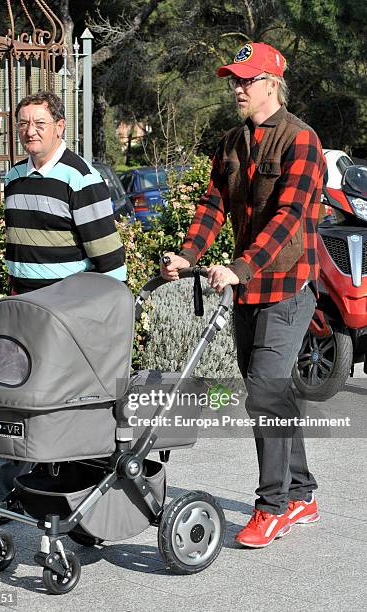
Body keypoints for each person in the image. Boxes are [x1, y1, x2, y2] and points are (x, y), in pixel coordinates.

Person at [161, 42, 325, 548]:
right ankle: (302, 493)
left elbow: (287, 220)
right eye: (234, 79)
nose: (237, 87)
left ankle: (272, 506)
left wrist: (238, 266)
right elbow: (213, 205)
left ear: (271, 84)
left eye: (247, 80)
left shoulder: (302, 140)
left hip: (288, 284)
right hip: (248, 285)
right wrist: (189, 255)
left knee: (263, 391)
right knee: (271, 393)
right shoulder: (232, 141)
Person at [0, 90, 126, 520]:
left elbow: (110, 260)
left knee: (55, 407)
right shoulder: (14, 178)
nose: (29, 131)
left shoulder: (81, 178)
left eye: (39, 122)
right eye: (23, 123)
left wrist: (110, 322)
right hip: (26, 314)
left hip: (69, 320)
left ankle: (27, 499)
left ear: (60, 126)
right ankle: (15, 495)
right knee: (24, 400)